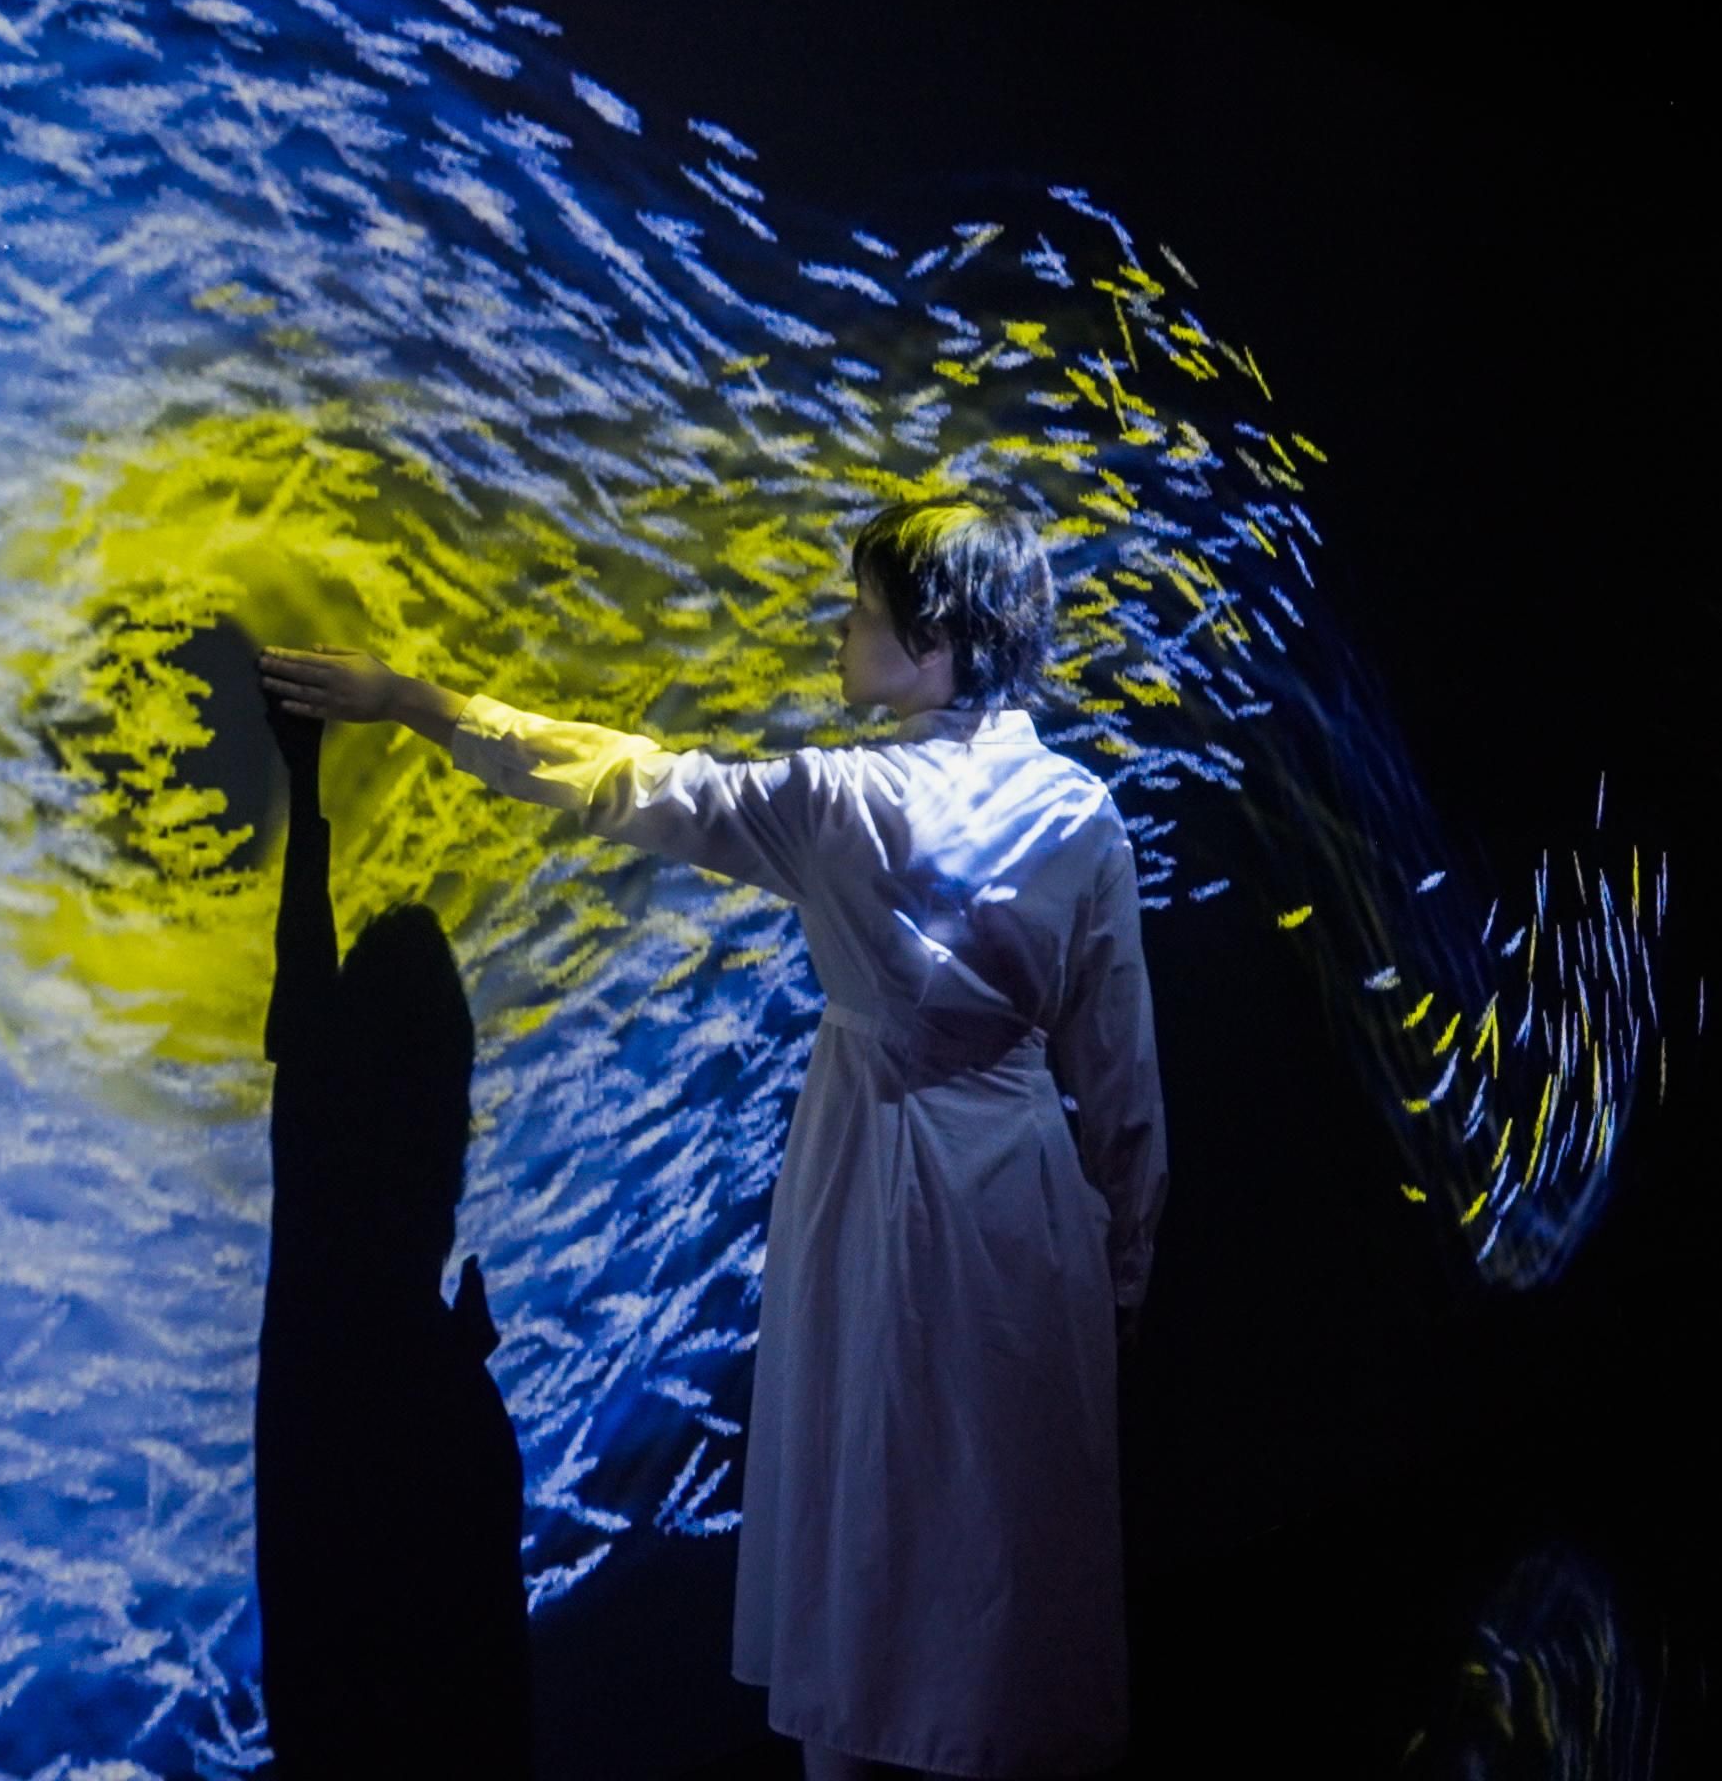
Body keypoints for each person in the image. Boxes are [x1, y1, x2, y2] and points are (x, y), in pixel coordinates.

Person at [260, 494, 1165, 1781]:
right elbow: (1124, 1090)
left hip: (875, 1187)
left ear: (933, 642)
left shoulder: (841, 802)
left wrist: (413, 701)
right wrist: (1120, 1279)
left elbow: (624, 781)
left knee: (863, 1529)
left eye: (863, 610)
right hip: (1023, 1201)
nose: (840, 630)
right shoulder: (1082, 815)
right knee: (1006, 1534)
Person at [249, 684, 533, 1778]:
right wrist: (458, 1356)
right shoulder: (380, 1182)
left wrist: (304, 779)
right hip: (441, 1660)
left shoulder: (314, 1178)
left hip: (328, 1635)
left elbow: (304, 977)